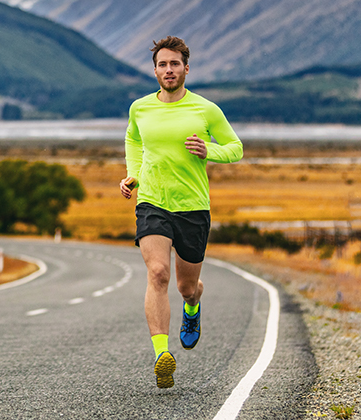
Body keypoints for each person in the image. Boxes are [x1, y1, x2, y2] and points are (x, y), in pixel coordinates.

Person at [119, 36, 243, 389]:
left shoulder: (205, 109)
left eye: (175, 64)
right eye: (162, 64)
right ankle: (162, 355)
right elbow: (134, 140)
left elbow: (236, 148)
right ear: (155, 70)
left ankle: (193, 305)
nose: (168, 70)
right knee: (157, 273)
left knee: (186, 285)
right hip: (153, 202)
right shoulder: (140, 108)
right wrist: (134, 175)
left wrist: (210, 151)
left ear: (186, 68)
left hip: (192, 207)